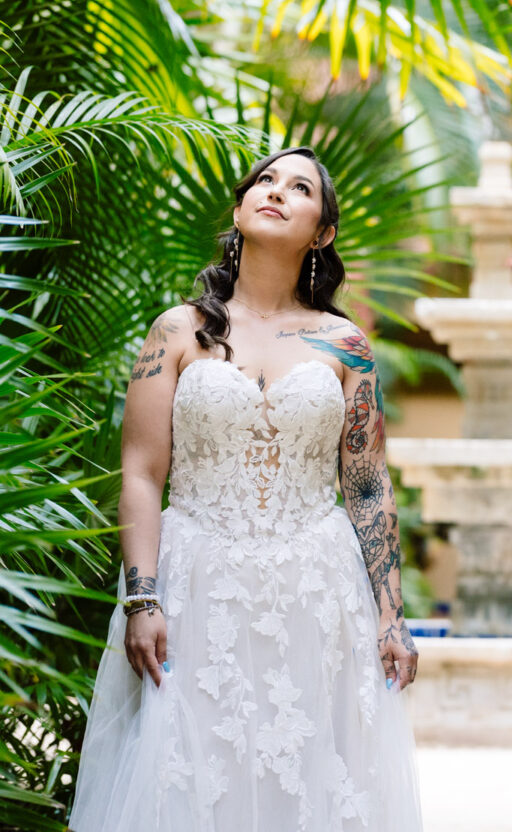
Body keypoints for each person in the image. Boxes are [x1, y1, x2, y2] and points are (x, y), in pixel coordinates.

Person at [68, 147, 424, 830]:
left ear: (322, 234)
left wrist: (391, 616)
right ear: (239, 209)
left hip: (318, 595)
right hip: (196, 585)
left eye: (299, 188)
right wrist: (142, 597)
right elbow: (142, 472)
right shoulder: (177, 330)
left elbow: (369, 486)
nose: (276, 192)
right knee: (192, 778)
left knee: (311, 778)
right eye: (264, 181)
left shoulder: (347, 344)